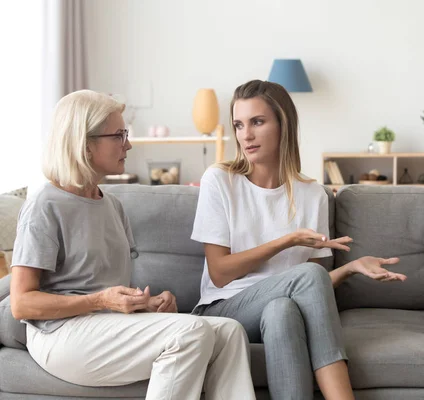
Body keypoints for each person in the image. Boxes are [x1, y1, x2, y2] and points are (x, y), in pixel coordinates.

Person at [10, 90, 255, 400]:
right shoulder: (45, 205)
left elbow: (112, 293)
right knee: (190, 332)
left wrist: (146, 304)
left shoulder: (112, 205)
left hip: (104, 327)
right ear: (84, 144)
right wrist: (101, 301)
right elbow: (22, 303)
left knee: (228, 332)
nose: (128, 144)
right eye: (119, 135)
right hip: (60, 335)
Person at [191, 79, 407, 400]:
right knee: (305, 277)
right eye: (238, 124)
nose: (245, 135)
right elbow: (220, 272)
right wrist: (287, 241)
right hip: (222, 311)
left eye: (258, 122)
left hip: (276, 308)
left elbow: (313, 289)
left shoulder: (311, 195)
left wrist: (351, 268)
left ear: (283, 124)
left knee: (283, 311)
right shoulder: (220, 180)